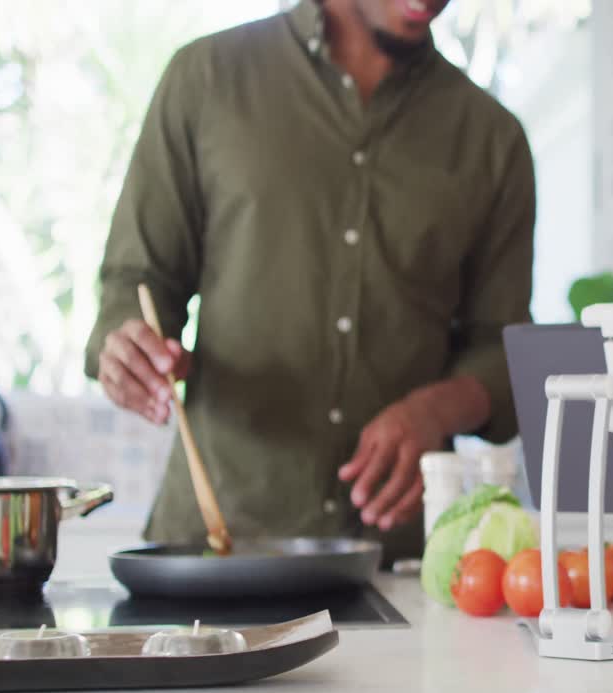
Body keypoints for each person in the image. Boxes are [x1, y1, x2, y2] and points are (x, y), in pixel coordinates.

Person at [85, 0, 534, 564]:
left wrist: (437, 410)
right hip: (213, 547)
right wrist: (128, 348)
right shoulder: (206, 79)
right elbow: (139, 278)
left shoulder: (492, 138)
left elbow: (504, 347)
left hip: (396, 566)